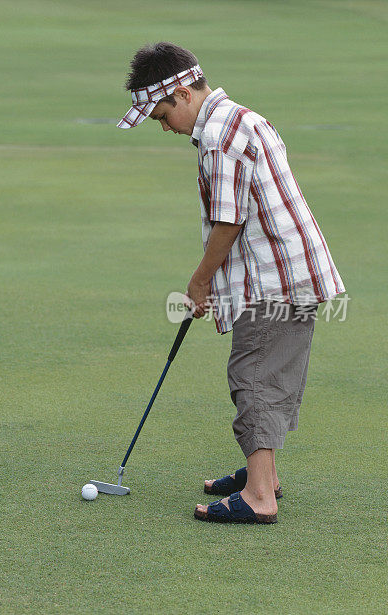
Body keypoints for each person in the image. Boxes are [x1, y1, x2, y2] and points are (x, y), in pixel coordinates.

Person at [117, 42, 345, 523]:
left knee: (254, 379)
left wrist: (198, 283)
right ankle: (266, 478)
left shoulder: (219, 136)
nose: (162, 126)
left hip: (273, 281)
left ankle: (260, 498)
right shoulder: (241, 117)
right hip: (292, 273)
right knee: (271, 374)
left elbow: (228, 223)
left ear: (181, 93)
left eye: (160, 115)